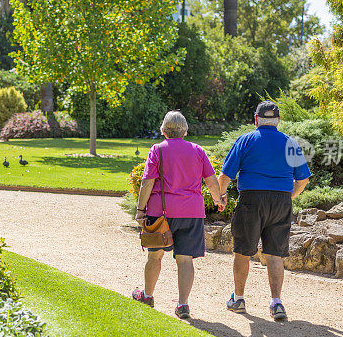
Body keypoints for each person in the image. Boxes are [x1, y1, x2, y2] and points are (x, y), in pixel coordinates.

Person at [218, 101, 311, 321]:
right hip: (280, 201)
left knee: (242, 250)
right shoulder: (290, 142)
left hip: (251, 199)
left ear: (256, 119)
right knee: (275, 253)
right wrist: (289, 197)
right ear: (278, 120)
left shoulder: (245, 140)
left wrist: (221, 196)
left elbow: (225, 176)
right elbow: (303, 178)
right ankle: (276, 303)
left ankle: (238, 299)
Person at [132, 111, 226, 319]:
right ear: (185, 130)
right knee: (185, 259)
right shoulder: (197, 150)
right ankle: (182, 304)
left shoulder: (157, 150)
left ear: (163, 130)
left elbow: (147, 182)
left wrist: (140, 210)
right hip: (191, 212)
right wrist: (218, 200)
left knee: (155, 255)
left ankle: (147, 296)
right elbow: (211, 180)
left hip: (160, 213)